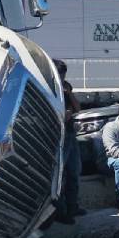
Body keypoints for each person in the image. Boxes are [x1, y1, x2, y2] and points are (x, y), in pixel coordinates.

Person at [53, 59, 84, 224]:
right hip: (58, 135)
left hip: (70, 133)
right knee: (59, 174)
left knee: (74, 171)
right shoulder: (48, 87)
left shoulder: (65, 86)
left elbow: (78, 108)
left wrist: (69, 93)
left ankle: (73, 206)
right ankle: (60, 211)